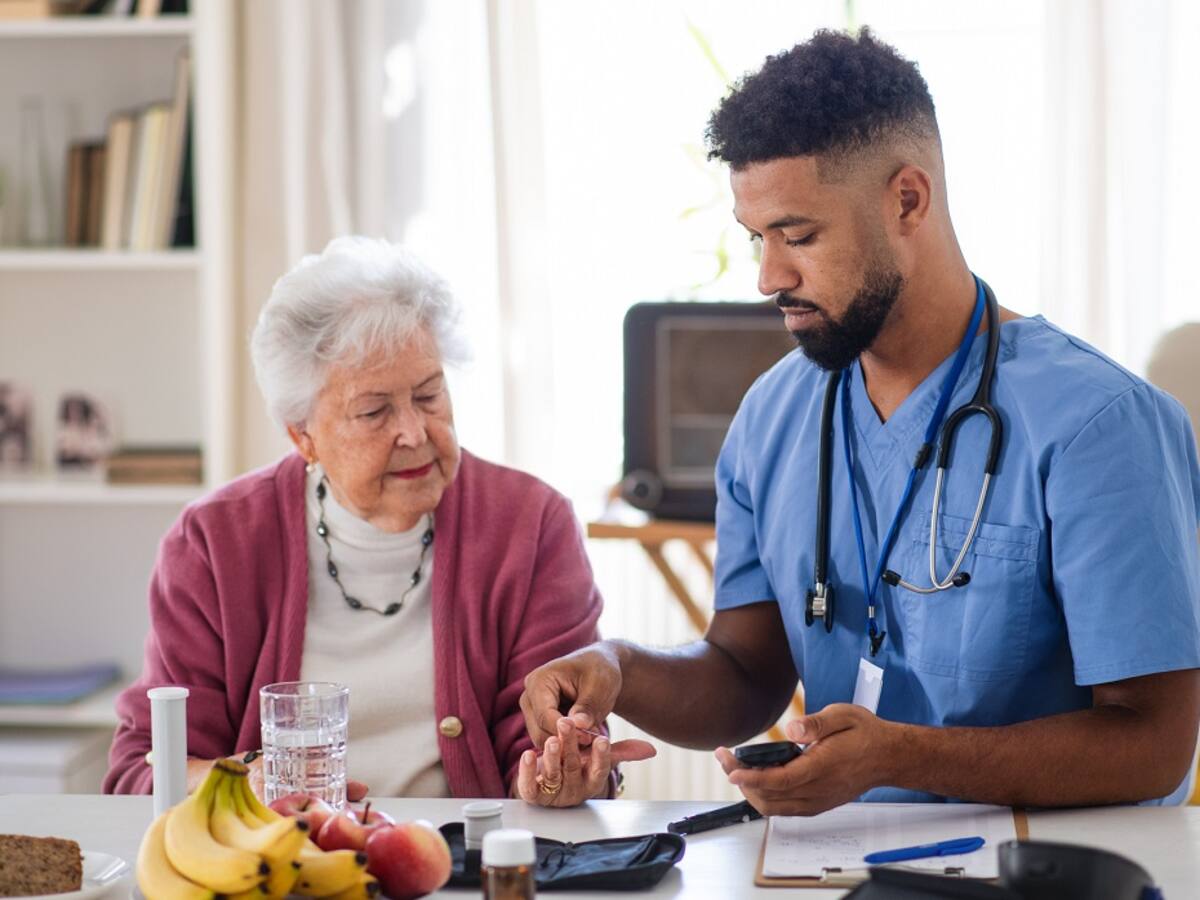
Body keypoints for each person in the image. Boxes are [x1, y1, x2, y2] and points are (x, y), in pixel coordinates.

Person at [521, 29, 1200, 814]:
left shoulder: (1100, 425)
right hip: (841, 868)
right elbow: (745, 675)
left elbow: (1151, 744)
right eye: (757, 239)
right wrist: (619, 667)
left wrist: (898, 757)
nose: (770, 277)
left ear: (907, 200)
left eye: (799, 236)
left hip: (1050, 869)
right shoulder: (773, 416)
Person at [105, 237, 651, 806]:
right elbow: (141, 767)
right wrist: (245, 783)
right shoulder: (214, 544)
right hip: (278, 873)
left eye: (429, 395)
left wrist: (558, 770)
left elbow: (547, 736)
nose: (414, 433)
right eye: (374, 411)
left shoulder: (531, 524)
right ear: (302, 434)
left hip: (462, 865)